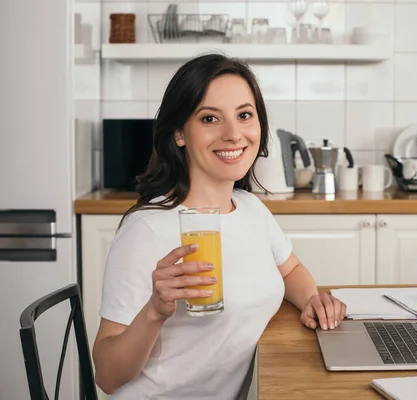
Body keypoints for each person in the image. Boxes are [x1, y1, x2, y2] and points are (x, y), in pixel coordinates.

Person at [91, 53, 347, 399]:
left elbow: (290, 269)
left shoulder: (250, 208)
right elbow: (106, 376)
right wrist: (154, 312)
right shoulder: (147, 229)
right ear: (179, 133)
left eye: (244, 115)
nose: (233, 134)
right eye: (210, 118)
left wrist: (312, 300)